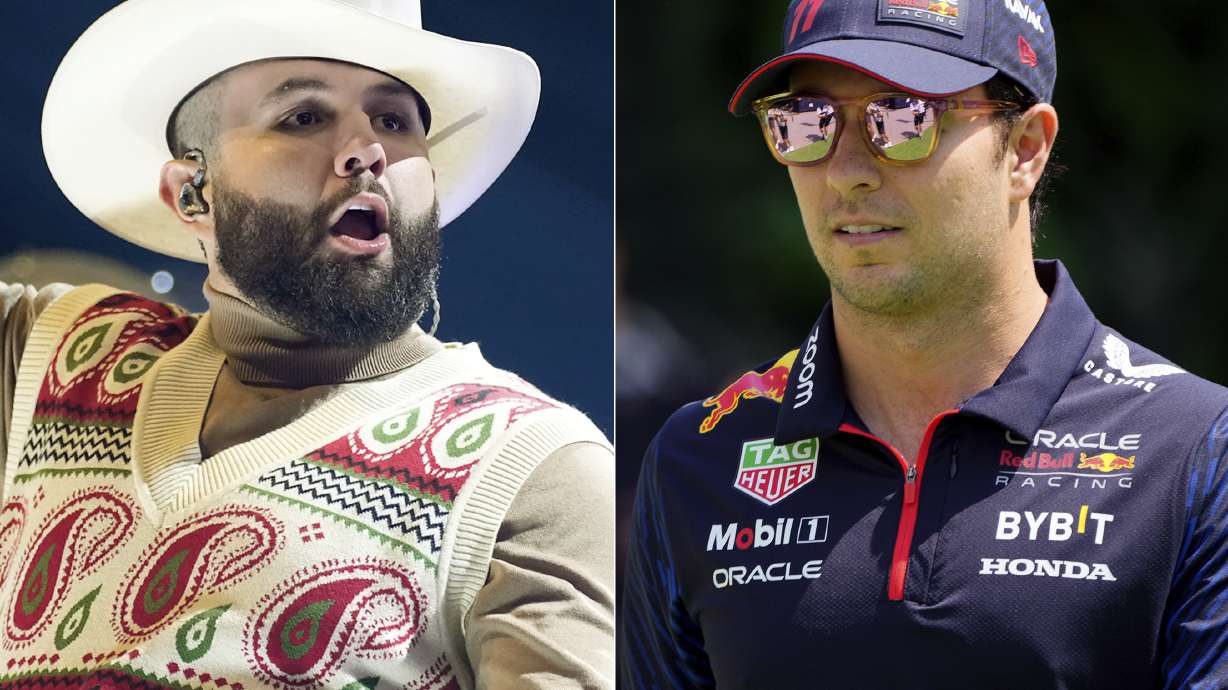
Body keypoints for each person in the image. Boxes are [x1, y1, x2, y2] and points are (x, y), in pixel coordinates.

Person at [0, 0, 614, 688]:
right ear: (192, 193)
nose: (367, 150)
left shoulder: (533, 468)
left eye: (393, 121)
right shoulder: (44, 352)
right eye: (303, 117)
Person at [620, 0, 1228, 687]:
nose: (846, 171)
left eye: (903, 117)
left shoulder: (1195, 448)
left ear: (1025, 149)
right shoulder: (698, 457)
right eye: (807, 121)